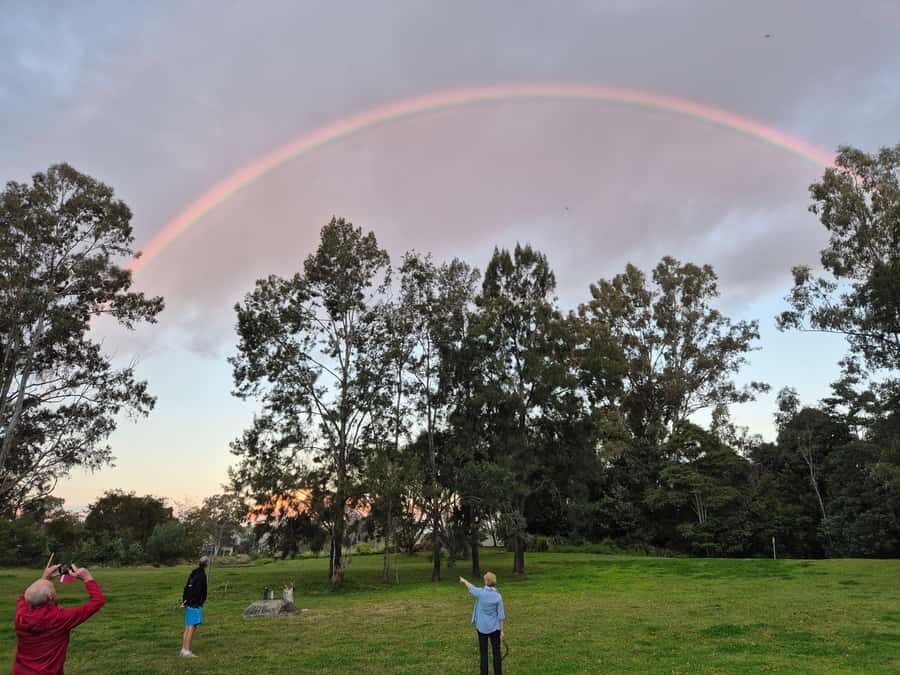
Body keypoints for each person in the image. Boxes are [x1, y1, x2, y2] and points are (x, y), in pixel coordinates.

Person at [13, 562, 106, 674]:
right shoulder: (59, 618)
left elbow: (26, 596)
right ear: (51, 596)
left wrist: (44, 577)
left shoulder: (20, 612)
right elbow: (98, 601)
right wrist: (87, 578)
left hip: (21, 671)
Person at [459, 572, 506, 675]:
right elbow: (501, 616)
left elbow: (471, 586)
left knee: (483, 653)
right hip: (495, 629)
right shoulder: (498, 596)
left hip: (482, 629)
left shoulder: (480, 593)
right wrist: (502, 631)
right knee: (496, 653)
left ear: (486, 581)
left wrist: (463, 580)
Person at [180, 555, 209, 658]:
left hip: (189, 602)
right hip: (195, 604)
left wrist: (185, 601)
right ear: (206, 564)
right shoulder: (201, 575)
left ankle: (183, 649)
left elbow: (187, 587)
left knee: (188, 626)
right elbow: (198, 591)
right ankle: (186, 651)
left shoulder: (194, 573)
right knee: (192, 627)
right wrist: (197, 601)